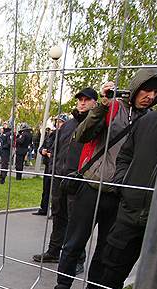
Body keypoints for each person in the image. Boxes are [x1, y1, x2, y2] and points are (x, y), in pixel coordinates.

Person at [52, 68, 157, 289]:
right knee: (74, 243)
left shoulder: (152, 120)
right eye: (147, 88)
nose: (150, 96)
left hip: (119, 194)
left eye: (156, 92)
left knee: (106, 250)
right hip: (92, 187)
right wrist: (103, 105)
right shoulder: (113, 108)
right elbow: (81, 135)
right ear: (136, 86)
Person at [33, 89, 97, 265]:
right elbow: (55, 148)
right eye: (80, 100)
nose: (82, 103)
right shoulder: (67, 125)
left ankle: (78, 259)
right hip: (59, 178)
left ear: (94, 103)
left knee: (76, 221)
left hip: (78, 181)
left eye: (87, 100)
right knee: (59, 215)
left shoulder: (95, 124)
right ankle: (54, 251)